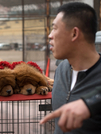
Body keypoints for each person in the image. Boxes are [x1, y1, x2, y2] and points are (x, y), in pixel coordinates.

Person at [45, 2, 101, 134]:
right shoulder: (61, 70)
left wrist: (89, 104)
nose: (50, 35)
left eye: (55, 28)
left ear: (74, 34)